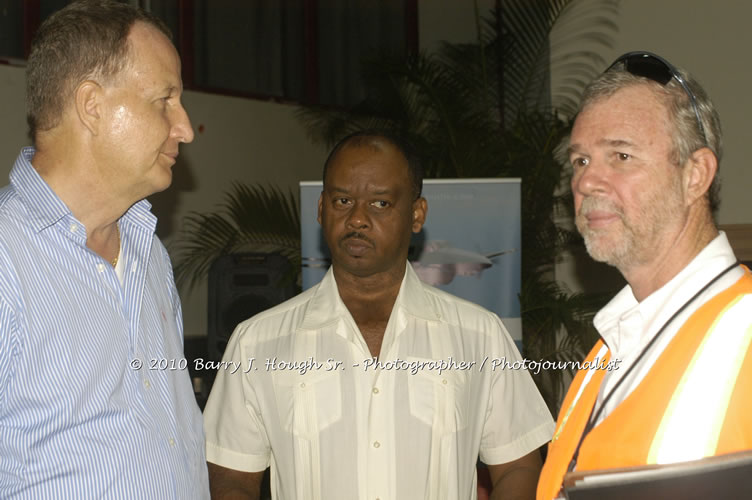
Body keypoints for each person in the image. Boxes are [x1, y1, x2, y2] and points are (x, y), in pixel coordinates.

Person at [203, 130, 554, 500]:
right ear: (321, 209)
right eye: (342, 200)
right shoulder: (257, 342)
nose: (357, 219)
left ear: (417, 214)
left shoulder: (479, 335)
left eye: (380, 204)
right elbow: (232, 478)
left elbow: (518, 464)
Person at [0, 1, 208, 498]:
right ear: (92, 105)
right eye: (165, 100)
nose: (184, 127)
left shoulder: (148, 253)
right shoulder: (7, 261)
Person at [537, 51, 752, 500]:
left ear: (695, 175)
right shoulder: (606, 349)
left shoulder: (744, 328)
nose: (587, 182)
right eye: (580, 161)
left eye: (620, 155)